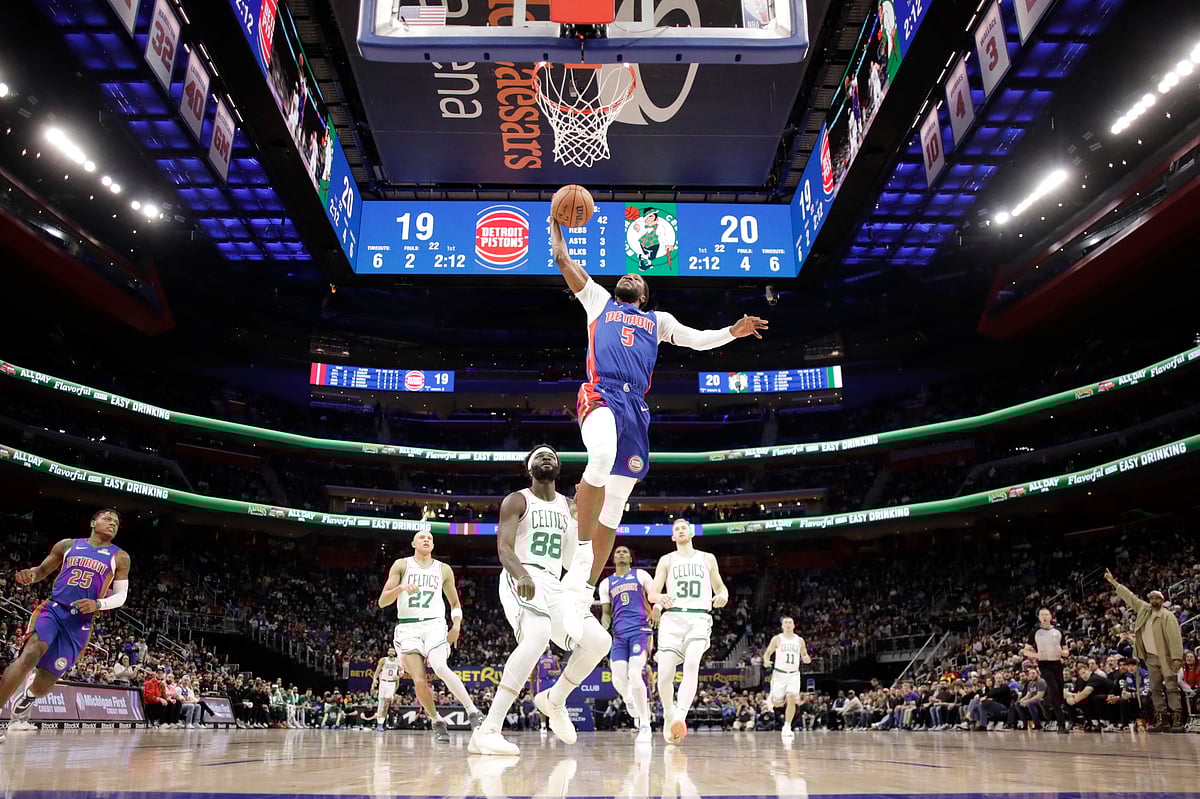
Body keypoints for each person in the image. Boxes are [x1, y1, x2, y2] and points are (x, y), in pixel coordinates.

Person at [549, 221, 767, 608]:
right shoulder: (599, 300)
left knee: (614, 509)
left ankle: (582, 593)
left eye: (637, 276)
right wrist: (555, 224)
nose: (630, 275)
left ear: (644, 295)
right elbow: (564, 260)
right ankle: (581, 551)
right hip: (602, 392)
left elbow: (698, 340)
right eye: (626, 274)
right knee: (599, 457)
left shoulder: (658, 321)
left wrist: (731, 331)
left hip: (635, 408)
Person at [469, 445, 613, 756]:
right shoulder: (517, 499)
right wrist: (521, 575)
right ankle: (489, 729)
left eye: (552, 455)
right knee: (536, 637)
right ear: (529, 468)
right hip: (521, 574)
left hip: (554, 582)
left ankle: (554, 700)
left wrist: (579, 520)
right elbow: (504, 548)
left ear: (559, 468)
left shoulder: (569, 506)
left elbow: (570, 558)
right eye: (539, 456)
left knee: (599, 641)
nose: (546, 457)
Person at [0, 509, 130, 743]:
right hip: (53, 610)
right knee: (29, 656)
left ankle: (30, 694)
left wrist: (98, 603)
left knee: (43, 685)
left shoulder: (120, 557)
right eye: (107, 519)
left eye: (117, 522)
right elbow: (41, 572)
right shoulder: (68, 545)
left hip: (79, 623)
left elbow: (121, 597)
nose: (113, 524)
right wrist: (30, 574)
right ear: (93, 522)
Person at [377, 531, 484, 743]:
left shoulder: (443, 569)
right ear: (413, 543)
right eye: (421, 537)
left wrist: (456, 626)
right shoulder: (401, 565)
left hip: (435, 624)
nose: (426, 540)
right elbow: (382, 601)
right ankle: (436, 720)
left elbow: (454, 603)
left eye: (429, 538)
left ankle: (473, 711)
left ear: (433, 545)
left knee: (440, 666)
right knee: (419, 680)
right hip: (408, 628)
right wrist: (400, 588)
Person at [649, 518, 729, 744]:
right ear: (673, 537)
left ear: (691, 532)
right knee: (664, 675)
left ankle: (680, 716)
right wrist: (659, 597)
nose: (681, 530)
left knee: (692, 663)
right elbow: (653, 593)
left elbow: (720, 587)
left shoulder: (707, 558)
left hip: (698, 616)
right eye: (677, 529)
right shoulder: (667, 560)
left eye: (684, 527)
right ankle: (668, 713)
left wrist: (723, 595)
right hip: (672, 618)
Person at [1104, 569, 1185, 732]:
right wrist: (1114, 583)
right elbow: (1130, 597)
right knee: (1155, 689)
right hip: (1150, 657)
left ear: (1162, 600)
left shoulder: (1167, 616)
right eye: (1152, 597)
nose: (1154, 600)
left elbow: (1176, 638)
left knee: (1171, 687)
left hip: (1167, 657)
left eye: (1157, 597)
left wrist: (1177, 658)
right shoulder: (1143, 609)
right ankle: (1162, 719)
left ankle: (1177, 719)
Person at [599, 545, 654, 743]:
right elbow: (606, 613)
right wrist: (603, 627)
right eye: (617, 552)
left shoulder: (641, 576)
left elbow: (654, 596)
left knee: (634, 673)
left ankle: (645, 724)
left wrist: (657, 609)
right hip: (619, 635)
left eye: (624, 552)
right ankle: (629, 699)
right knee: (618, 678)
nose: (621, 554)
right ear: (613, 559)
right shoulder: (606, 583)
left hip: (640, 630)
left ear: (631, 558)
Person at [1021, 607, 1071, 734]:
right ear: (1039, 617)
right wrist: (1036, 655)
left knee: (1058, 693)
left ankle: (1048, 705)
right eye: (1041, 614)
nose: (1044, 616)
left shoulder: (1059, 631)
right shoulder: (1035, 632)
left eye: (1046, 614)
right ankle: (1061, 724)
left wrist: (1062, 652)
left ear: (1050, 617)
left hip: (1057, 663)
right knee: (1054, 689)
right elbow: (1026, 650)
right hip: (1044, 664)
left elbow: (1066, 652)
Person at [761, 616, 812, 740]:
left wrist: (807, 659)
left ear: (794, 625)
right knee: (777, 702)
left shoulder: (799, 640)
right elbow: (767, 653)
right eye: (786, 622)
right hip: (779, 674)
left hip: (794, 674)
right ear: (782, 626)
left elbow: (805, 655)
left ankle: (787, 726)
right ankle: (771, 699)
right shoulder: (777, 639)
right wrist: (766, 661)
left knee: (791, 699)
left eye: (790, 622)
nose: (788, 624)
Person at [370, 647, 402, 731]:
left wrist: (398, 676)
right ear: (388, 652)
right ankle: (379, 724)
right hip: (383, 682)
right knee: (381, 703)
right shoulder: (383, 660)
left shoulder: (398, 661)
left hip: (391, 683)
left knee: (386, 703)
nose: (391, 652)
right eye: (390, 650)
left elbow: (402, 671)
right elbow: (377, 670)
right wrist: (374, 679)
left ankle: (381, 722)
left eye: (393, 651)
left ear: (395, 653)